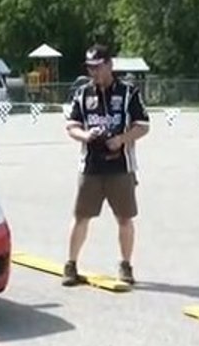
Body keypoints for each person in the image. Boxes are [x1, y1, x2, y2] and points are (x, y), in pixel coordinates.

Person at [61, 44, 151, 286]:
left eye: (98, 67)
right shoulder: (82, 93)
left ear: (109, 65)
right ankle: (70, 265)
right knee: (80, 216)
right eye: (90, 68)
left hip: (121, 166)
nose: (94, 73)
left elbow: (143, 125)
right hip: (90, 166)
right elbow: (71, 126)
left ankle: (125, 265)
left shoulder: (129, 93)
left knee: (124, 218)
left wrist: (121, 139)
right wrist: (86, 136)